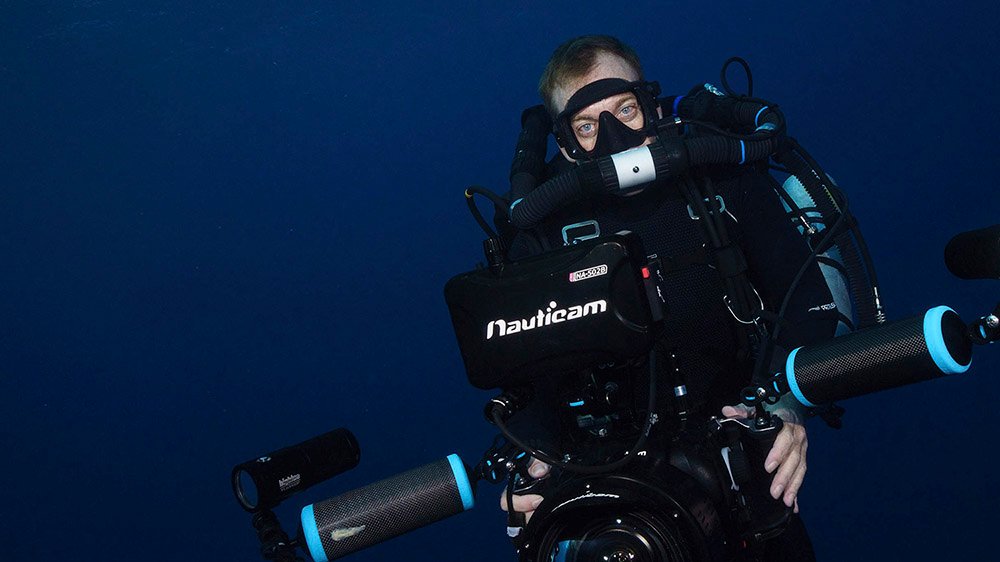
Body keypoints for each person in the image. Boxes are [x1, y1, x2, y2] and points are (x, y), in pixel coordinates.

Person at [497, 35, 842, 560]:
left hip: (740, 463)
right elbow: (521, 371)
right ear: (566, 143)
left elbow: (809, 302)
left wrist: (786, 407)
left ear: (652, 106)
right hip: (608, 485)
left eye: (625, 110)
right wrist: (531, 460)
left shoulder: (719, 177)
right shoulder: (539, 230)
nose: (613, 136)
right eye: (588, 126)